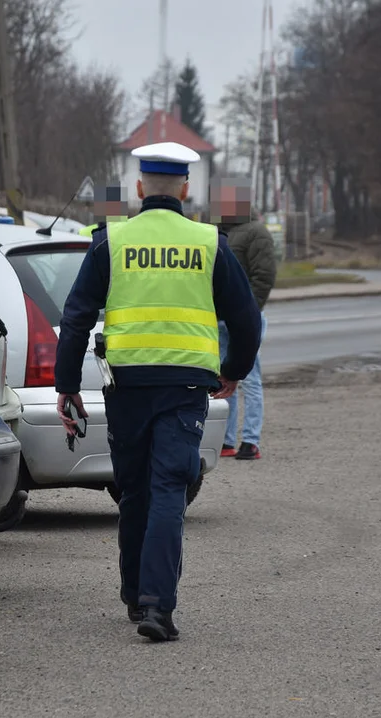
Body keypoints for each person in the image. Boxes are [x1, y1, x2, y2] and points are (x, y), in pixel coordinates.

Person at [54, 141, 262, 642]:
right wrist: (233, 368)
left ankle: (133, 595)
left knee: (135, 492)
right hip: (185, 386)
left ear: (140, 188)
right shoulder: (209, 243)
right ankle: (156, 607)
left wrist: (66, 388)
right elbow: (247, 320)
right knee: (170, 488)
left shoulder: (112, 240)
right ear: (186, 190)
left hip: (126, 388)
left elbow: (76, 316)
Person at [210, 178, 277, 460]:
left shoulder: (256, 233)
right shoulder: (214, 233)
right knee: (224, 378)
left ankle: (250, 440)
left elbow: (264, 276)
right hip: (219, 319)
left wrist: (249, 313)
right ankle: (225, 440)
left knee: (249, 378)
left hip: (245, 320)